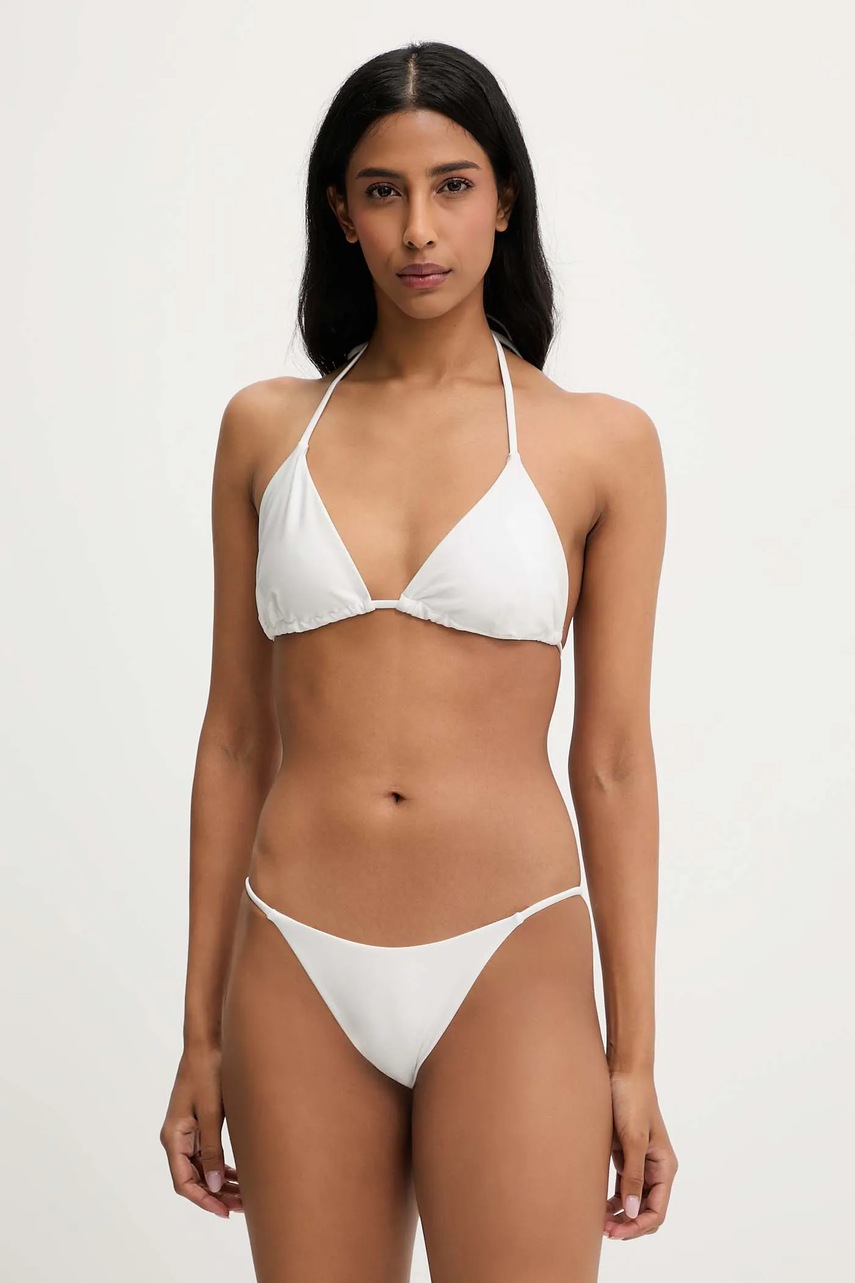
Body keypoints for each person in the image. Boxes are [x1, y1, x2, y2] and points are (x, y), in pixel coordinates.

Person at [160, 39, 678, 1282]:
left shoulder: (599, 444)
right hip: (294, 953)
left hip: (511, 952)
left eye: (453, 186)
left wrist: (634, 1058)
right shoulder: (264, 430)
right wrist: (198, 1035)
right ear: (341, 214)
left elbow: (612, 761)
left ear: (505, 200)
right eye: (383, 192)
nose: (420, 229)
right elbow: (233, 738)